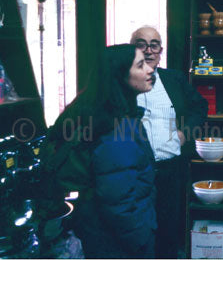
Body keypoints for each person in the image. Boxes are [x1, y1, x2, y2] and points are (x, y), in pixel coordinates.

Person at [45, 44, 157, 258]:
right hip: (118, 241)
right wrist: (141, 237)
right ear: (120, 76)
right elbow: (118, 202)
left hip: (105, 233)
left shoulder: (109, 113)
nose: (150, 69)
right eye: (140, 65)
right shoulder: (114, 131)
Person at [130, 26, 208, 258]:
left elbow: (200, 107)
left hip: (170, 168)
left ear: (161, 50)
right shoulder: (123, 81)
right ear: (133, 48)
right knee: (137, 230)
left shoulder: (174, 79)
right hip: (134, 171)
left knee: (167, 232)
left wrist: (185, 133)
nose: (149, 50)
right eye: (141, 44)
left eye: (154, 44)